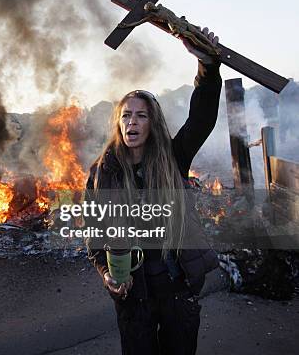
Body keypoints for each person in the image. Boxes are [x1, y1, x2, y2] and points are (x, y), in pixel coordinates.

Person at [85, 27, 221, 355]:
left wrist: (207, 67)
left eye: (141, 115)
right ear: (118, 124)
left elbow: (201, 119)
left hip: (176, 285)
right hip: (133, 293)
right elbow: (94, 233)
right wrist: (107, 274)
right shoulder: (103, 172)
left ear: (152, 122)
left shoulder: (173, 157)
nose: (133, 122)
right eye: (126, 115)